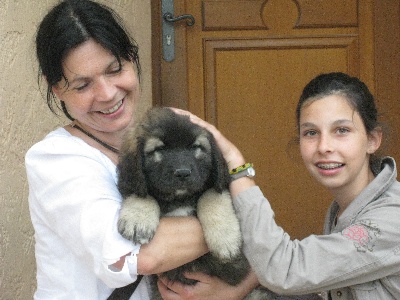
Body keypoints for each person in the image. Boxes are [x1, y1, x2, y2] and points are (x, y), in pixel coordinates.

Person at [26, 0, 259, 299]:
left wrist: (246, 281)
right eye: (83, 85)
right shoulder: (55, 160)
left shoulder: (164, 131)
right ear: (57, 88)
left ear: (132, 60)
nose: (107, 94)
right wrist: (241, 208)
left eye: (115, 69)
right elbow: (144, 255)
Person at [167, 72, 400, 299]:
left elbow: (285, 269)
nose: (324, 146)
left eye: (342, 130)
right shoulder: (346, 209)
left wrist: (237, 167)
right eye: (311, 132)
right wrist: (242, 286)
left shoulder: (392, 218)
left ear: (372, 140)